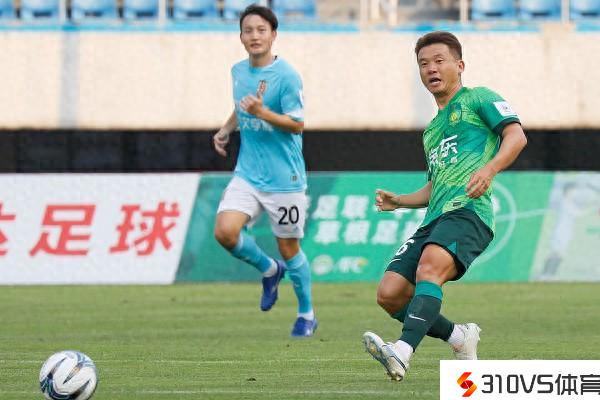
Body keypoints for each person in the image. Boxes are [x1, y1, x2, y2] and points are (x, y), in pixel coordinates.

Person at [362, 31, 527, 381]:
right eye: (424, 64)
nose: (431, 69)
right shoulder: (432, 131)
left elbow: (516, 136)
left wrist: (489, 169)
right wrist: (400, 201)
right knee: (390, 294)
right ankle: (459, 338)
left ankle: (402, 351)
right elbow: (435, 185)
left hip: (470, 211)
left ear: (460, 65)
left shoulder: (479, 98)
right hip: (434, 219)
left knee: (430, 268)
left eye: (439, 61)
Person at [212, 4, 316, 337]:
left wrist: (262, 113)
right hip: (247, 173)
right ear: (241, 36)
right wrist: (226, 129)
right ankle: (269, 269)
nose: (254, 36)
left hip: (285, 180)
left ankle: (306, 314)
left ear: (273, 35)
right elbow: (241, 108)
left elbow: (297, 124)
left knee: (289, 248)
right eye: (248, 30)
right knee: (225, 232)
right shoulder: (238, 72)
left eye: (261, 30)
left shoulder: (287, 76)